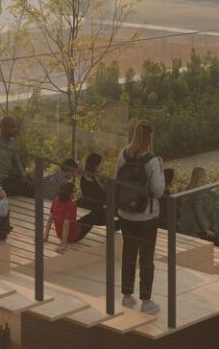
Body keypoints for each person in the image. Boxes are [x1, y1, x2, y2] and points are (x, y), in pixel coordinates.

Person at [115, 120, 167, 312]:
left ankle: (127, 296)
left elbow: (116, 179)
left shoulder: (123, 154)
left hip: (125, 214)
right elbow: (158, 190)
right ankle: (146, 301)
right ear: (149, 138)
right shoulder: (152, 161)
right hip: (146, 217)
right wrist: (161, 169)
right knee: (146, 259)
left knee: (129, 254)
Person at [73, 152, 108, 239]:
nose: (102, 166)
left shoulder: (91, 176)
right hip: (94, 209)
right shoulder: (89, 178)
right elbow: (98, 195)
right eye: (100, 164)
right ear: (95, 166)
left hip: (96, 207)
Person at [49, 178, 81, 244]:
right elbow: (66, 224)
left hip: (59, 234)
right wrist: (63, 244)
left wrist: (45, 236)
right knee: (90, 218)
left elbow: (50, 219)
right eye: (73, 192)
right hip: (72, 237)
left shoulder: (55, 200)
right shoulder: (72, 205)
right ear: (70, 193)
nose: (74, 194)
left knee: (79, 221)